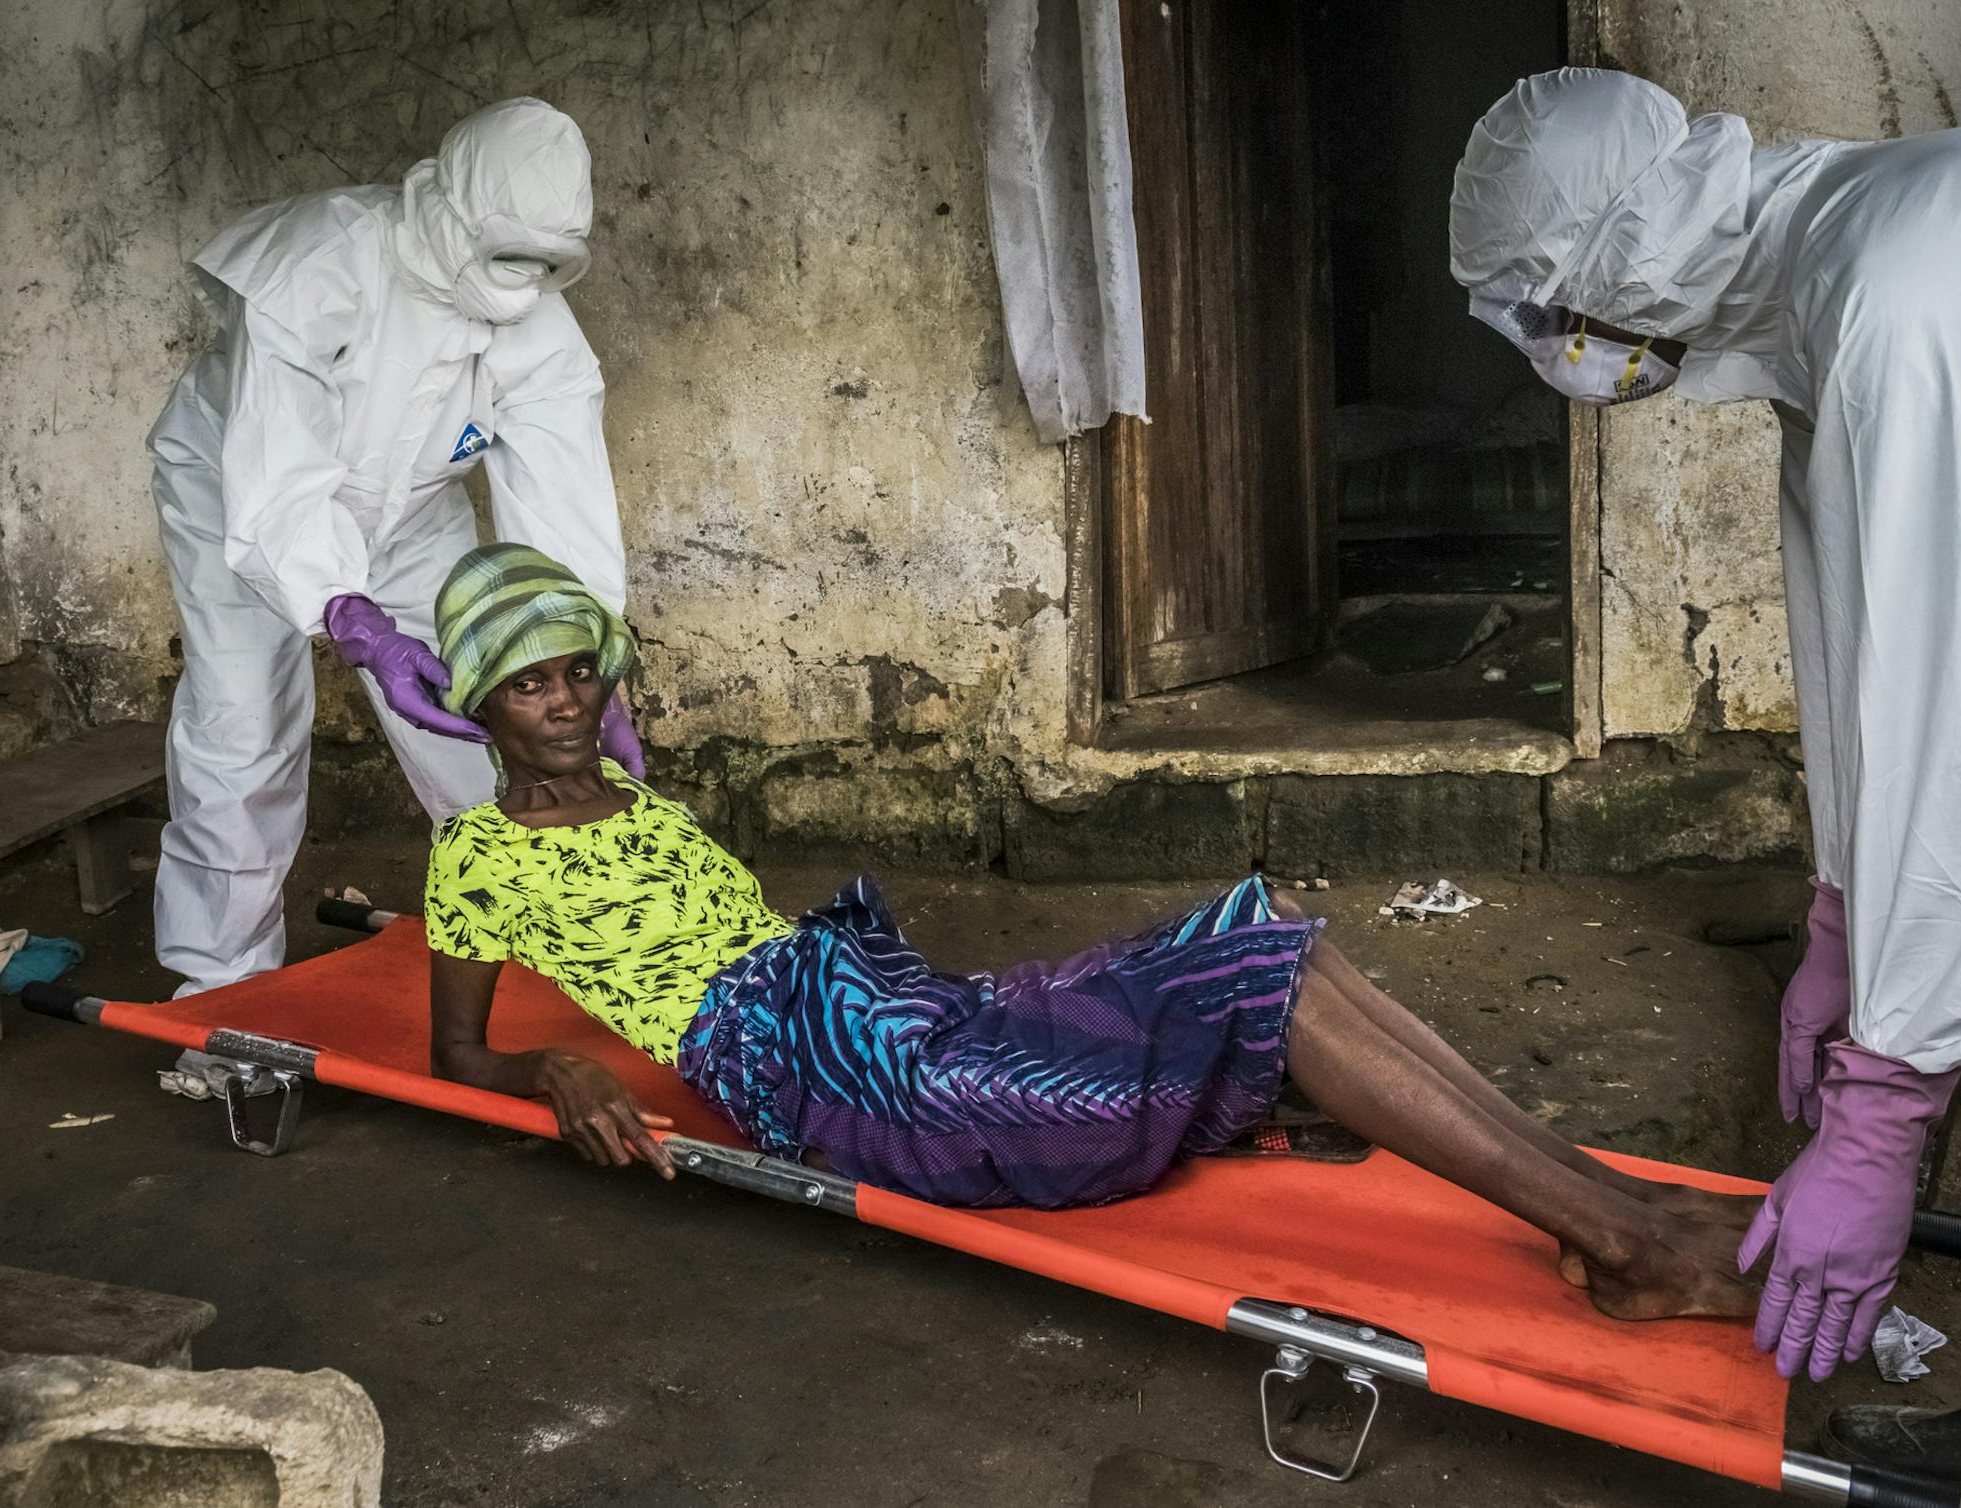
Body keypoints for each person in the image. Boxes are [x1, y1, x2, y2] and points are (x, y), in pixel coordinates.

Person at [421, 542, 1761, 1321]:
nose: (566, 700)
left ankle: (1607, 1202)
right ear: (479, 707)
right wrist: (556, 1064)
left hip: (878, 1003)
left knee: (1272, 927)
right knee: (1261, 986)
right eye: (529, 684)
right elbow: (456, 1051)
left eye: (577, 670)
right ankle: (1631, 1249)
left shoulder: (637, 799)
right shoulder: (478, 856)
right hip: (842, 1084)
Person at [1448, 67, 1961, 1476]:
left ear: (1619, 257)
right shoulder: (1836, 270)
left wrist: (1884, 1112)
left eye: (1546, 310)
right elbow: (1864, 643)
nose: (1556, 351)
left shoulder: (1913, 308)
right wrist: (1847, 912)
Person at [147, 97, 643, 1001]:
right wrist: (355, 620)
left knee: (495, 708)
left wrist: (585, 658)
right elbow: (279, 480)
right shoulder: (322, 265)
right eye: (511, 253)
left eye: (544, 262)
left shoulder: (540, 326)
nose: (524, 280)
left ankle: (527, 917)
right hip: (237, 496)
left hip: (412, 513)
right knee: (243, 725)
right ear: (456, 210)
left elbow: (562, 501)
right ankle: (220, 981)